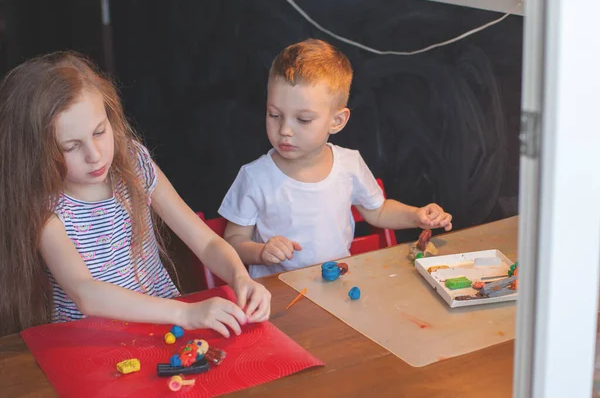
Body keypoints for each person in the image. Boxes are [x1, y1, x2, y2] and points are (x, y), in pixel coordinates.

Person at [0, 52, 270, 337]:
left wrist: (241, 277)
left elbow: (204, 242)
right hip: (92, 342)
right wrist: (186, 312)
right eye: (71, 147)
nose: (94, 155)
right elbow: (85, 293)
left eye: (100, 131)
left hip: (165, 328)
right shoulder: (44, 207)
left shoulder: (135, 163)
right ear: (36, 153)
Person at [218, 39, 452, 278]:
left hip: (336, 286)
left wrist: (416, 216)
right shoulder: (255, 177)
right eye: (274, 114)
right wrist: (261, 252)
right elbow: (234, 240)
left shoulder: (348, 164)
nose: (285, 129)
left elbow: (378, 211)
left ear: (337, 121)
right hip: (277, 294)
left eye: (303, 120)